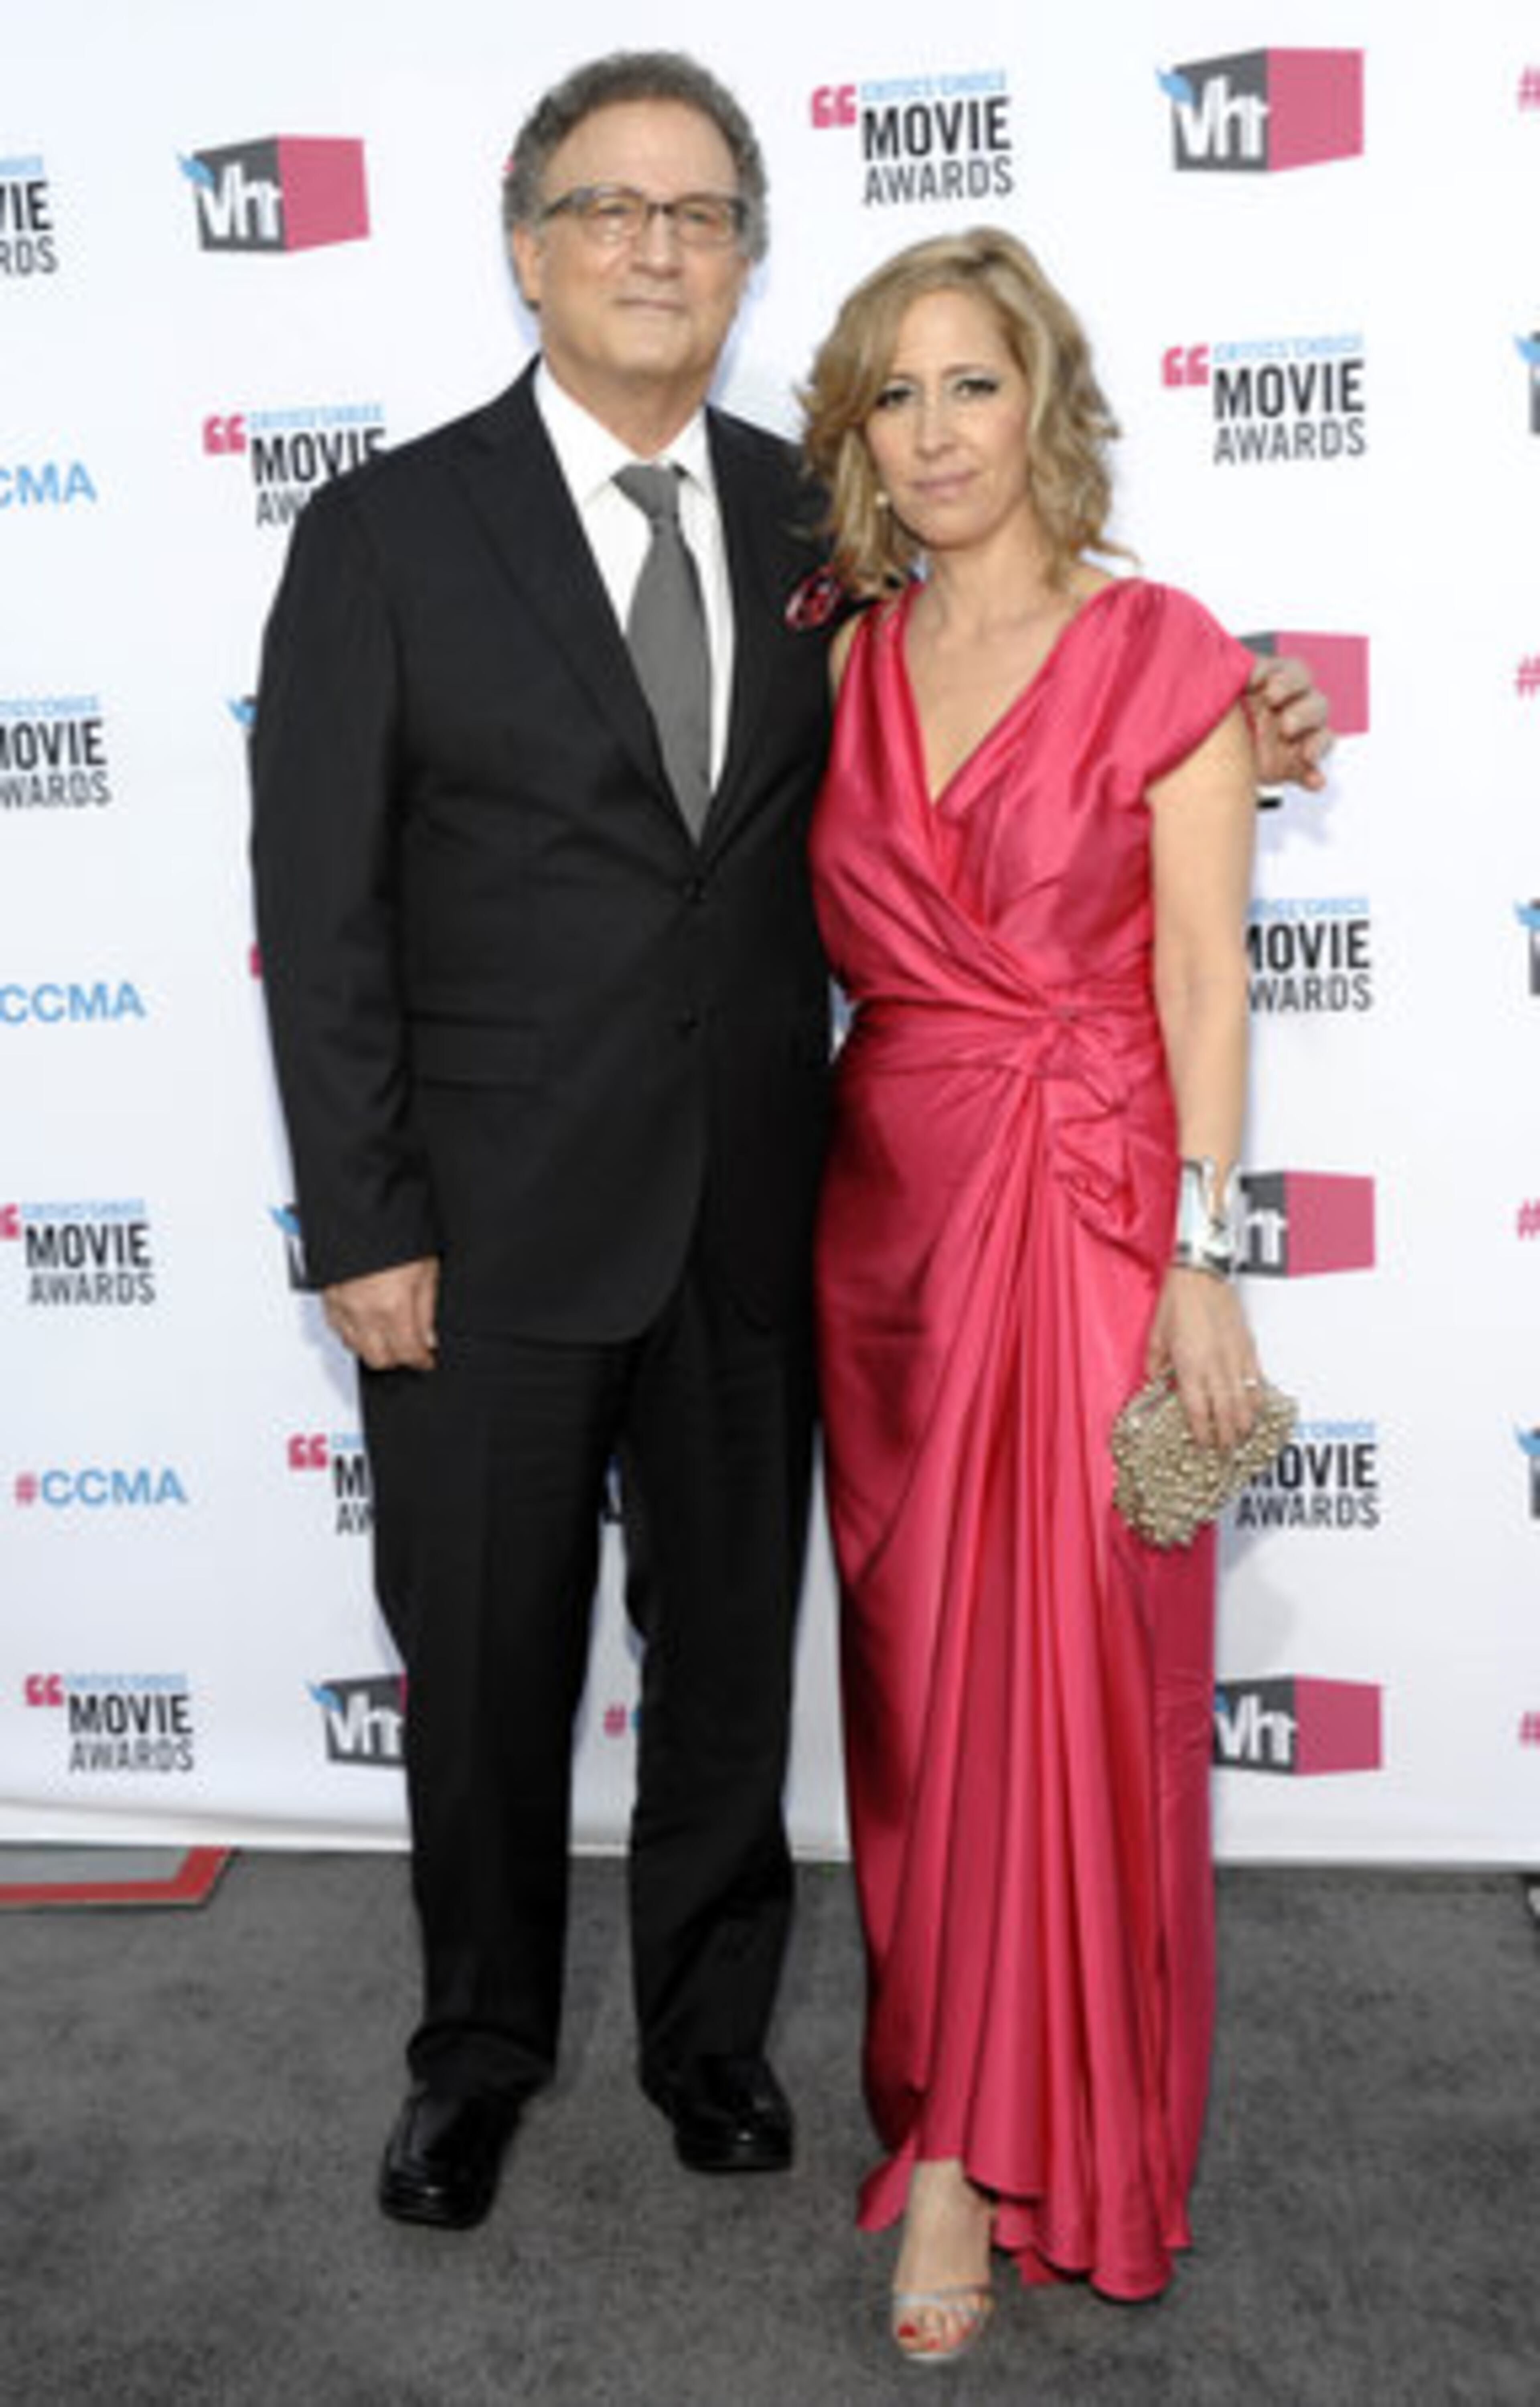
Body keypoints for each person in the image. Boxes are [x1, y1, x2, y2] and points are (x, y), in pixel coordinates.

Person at [251, 50, 1328, 2237]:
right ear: (526, 244)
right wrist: (361, 1221)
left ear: (746, 260)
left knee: (735, 1661)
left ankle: (711, 2038)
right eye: (608, 207)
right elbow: (320, 904)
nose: (655, 247)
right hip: (481, 1228)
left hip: (777, 1215)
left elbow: (1033, 708)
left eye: (700, 214)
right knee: (483, 1669)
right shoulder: (384, 530)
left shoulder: (813, 527)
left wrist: (1247, 719)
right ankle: (474, 2058)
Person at [802, 227, 1272, 2362]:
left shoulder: (1165, 649)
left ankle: (990, 2174)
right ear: (862, 441)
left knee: (1069, 1697)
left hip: (1089, 1226)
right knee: (920, 1705)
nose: (934, 432)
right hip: (889, 1227)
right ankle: (956, 2106)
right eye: (895, 396)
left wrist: (1204, 1258)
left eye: (970, 384)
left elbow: (1201, 972)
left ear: (1046, 400)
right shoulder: (840, 664)